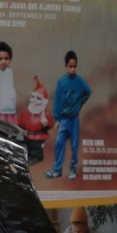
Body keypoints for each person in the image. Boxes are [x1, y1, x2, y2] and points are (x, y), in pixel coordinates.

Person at [47, 49, 91, 179]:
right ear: (66, 66)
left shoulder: (80, 81)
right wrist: (57, 119)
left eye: (74, 67)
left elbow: (88, 91)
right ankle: (57, 169)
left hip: (74, 119)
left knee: (74, 145)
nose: (72, 69)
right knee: (59, 143)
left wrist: (80, 102)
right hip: (64, 120)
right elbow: (58, 101)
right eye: (70, 67)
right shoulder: (61, 82)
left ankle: (73, 169)